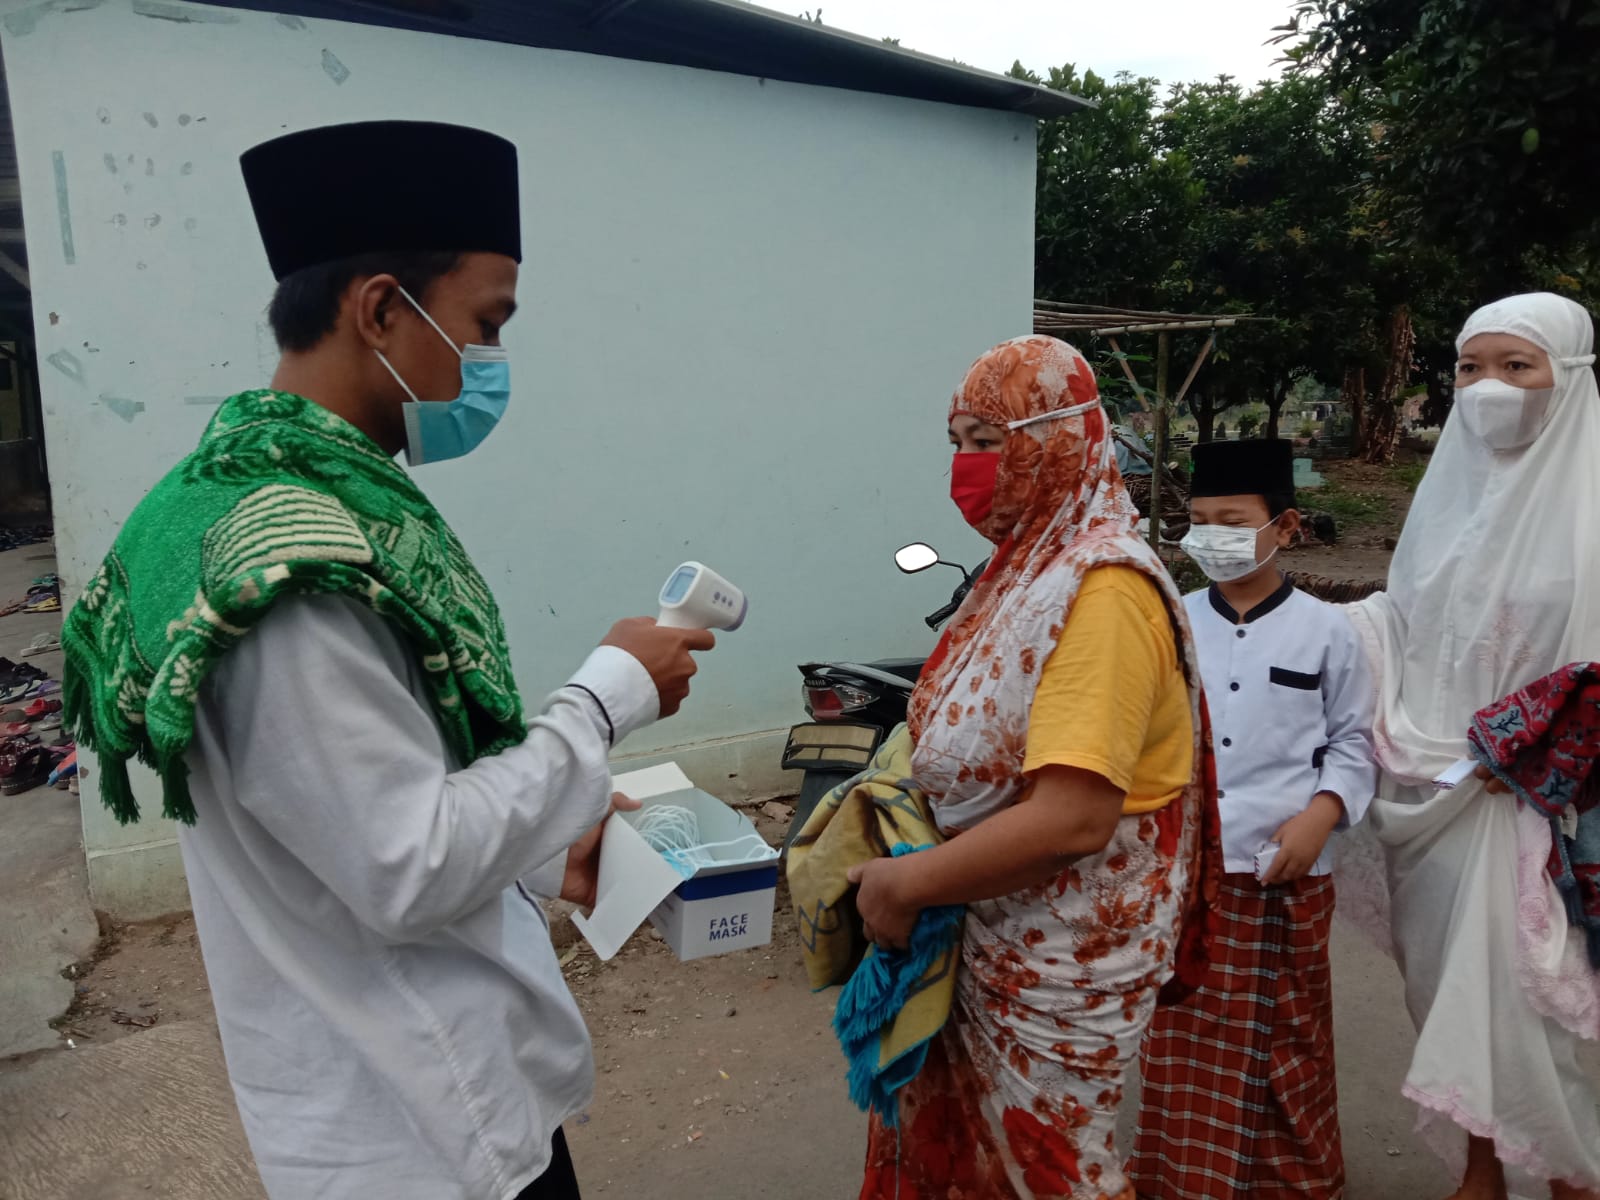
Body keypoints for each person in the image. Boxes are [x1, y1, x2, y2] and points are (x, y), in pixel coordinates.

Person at [60, 121, 714, 1200]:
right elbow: (402, 865)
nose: (494, 362)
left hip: (417, 1080)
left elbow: (348, 798)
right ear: (378, 310)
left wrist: (557, 848)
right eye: (485, 323)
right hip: (413, 1129)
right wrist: (603, 701)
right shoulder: (291, 561)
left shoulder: (244, 500)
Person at [845, 334, 1214, 1199]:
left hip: (1055, 962)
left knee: (1048, 1171)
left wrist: (907, 886)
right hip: (976, 933)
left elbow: (1073, 819)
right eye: (958, 443)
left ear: (1061, 438)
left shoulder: (1105, 589)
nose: (968, 467)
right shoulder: (1022, 571)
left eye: (989, 441)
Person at [1344, 292, 1600, 1200]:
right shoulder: (1446, 502)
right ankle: (1481, 1172)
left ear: (1565, 379)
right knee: (1444, 986)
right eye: (1469, 368)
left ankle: (1572, 1176)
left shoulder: (1591, 505)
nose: (1488, 388)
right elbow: (1404, 624)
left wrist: (1541, 750)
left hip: (1537, 802)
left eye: (1515, 366)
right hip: (1431, 790)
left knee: (1541, 1005)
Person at [1130, 438, 1376, 1200]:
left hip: (1287, 868)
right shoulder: (1168, 623)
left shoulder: (1329, 631)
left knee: (1286, 1037)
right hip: (1186, 868)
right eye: (1198, 520)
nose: (1211, 536)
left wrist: (1321, 816)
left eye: (1233, 519)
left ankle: (1291, 1181)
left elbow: (1355, 742)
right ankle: (1180, 1179)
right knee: (1180, 1032)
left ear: (1286, 526)